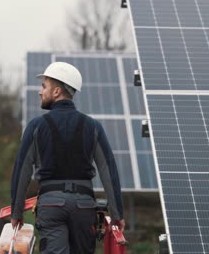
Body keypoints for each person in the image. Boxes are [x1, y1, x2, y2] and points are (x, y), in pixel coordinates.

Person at [10, 62, 125, 254]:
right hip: (84, 205)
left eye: (44, 86)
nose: (40, 92)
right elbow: (108, 169)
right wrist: (117, 213)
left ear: (56, 92)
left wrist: (16, 212)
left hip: (50, 205)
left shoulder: (36, 126)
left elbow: (21, 170)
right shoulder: (93, 126)